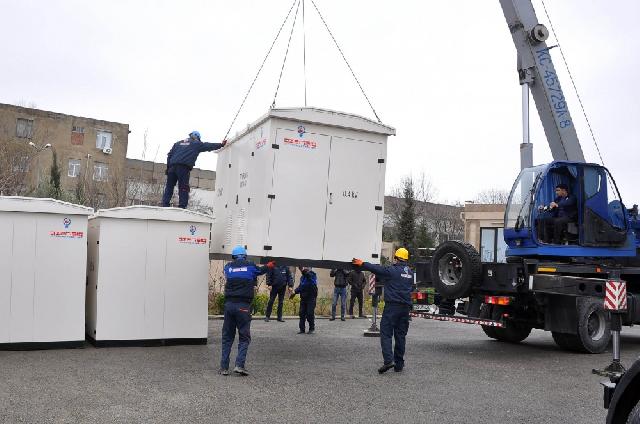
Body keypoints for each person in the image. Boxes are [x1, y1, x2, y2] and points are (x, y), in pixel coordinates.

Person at [352, 248, 414, 374]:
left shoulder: (392, 270)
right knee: (400, 335)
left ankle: (388, 360)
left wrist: (362, 263)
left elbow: (377, 269)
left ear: (396, 258)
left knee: (386, 333)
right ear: (406, 259)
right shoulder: (411, 273)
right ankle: (399, 364)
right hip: (405, 308)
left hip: (392, 307)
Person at [220, 246, 274, 376]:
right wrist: (269, 265)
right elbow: (260, 271)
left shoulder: (228, 267)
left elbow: (228, 272)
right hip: (243, 306)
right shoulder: (250, 266)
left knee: (227, 337)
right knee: (244, 337)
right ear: (245, 256)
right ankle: (239, 365)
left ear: (233, 256)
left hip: (229, 305)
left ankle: (224, 368)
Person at [162, 131, 225, 209]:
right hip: (183, 168)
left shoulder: (177, 144)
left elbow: (169, 155)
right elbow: (208, 146)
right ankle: (182, 207)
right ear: (197, 137)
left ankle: (164, 204)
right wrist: (221, 144)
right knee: (183, 187)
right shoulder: (196, 144)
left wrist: (168, 168)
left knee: (169, 187)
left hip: (172, 168)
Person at [291, 267, 318, 334]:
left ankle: (311, 328)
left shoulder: (313, 275)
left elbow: (310, 279)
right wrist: (295, 292)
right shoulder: (302, 277)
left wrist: (303, 270)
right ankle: (302, 329)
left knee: (309, 313)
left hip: (311, 298)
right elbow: (301, 287)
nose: (303, 269)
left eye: (306, 267)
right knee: (302, 313)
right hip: (303, 298)